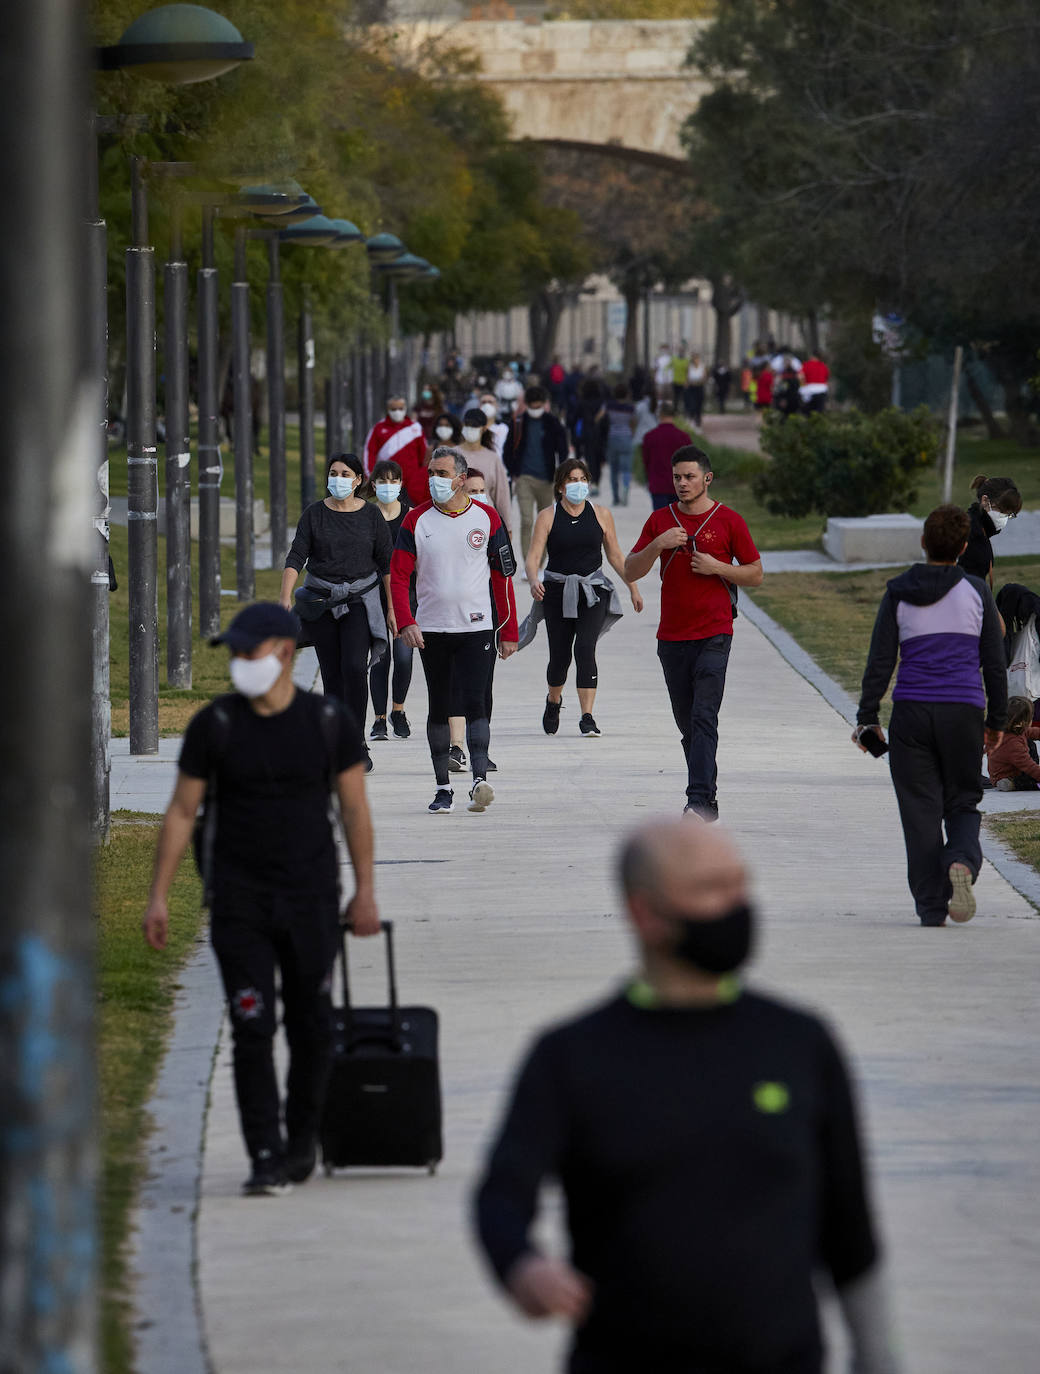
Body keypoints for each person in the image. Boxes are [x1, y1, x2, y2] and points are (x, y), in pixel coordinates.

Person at [474, 820, 902, 1374]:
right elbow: (502, 1195)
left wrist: (881, 1361)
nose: (736, 905)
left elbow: (850, 1228)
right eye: (710, 889)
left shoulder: (799, 1042)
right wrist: (521, 1265)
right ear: (644, 913)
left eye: (739, 885)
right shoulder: (572, 1056)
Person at [142, 603, 380, 1197]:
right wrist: (159, 897)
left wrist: (365, 891)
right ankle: (265, 1155)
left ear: (283, 652)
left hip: (312, 899)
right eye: (235, 653)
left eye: (249, 651)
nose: (239, 663)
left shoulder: (328, 722)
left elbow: (354, 810)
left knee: (312, 1027)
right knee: (252, 1028)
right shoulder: (215, 725)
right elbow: (180, 811)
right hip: (238, 900)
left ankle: (301, 1141)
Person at [855, 504, 1007, 926]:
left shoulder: (898, 591)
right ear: (962, 547)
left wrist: (868, 715)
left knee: (919, 809)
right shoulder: (976, 591)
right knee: (962, 801)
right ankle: (960, 861)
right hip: (962, 711)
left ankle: (931, 907)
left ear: (923, 542)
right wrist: (996, 722)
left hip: (912, 714)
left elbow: (881, 660)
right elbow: (993, 664)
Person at [625, 446, 763, 819]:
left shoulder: (729, 521)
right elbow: (629, 571)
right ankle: (708, 796)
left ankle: (698, 800)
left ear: (707, 478)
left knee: (704, 717)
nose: (682, 484)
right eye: (677, 477)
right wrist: (658, 545)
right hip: (671, 639)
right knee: (689, 725)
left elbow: (755, 572)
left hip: (715, 633)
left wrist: (719, 567)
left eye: (689, 477)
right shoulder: (660, 521)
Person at [391, 446, 518, 814]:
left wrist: (508, 631)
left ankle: (479, 779)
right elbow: (398, 577)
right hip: (431, 629)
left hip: (477, 628)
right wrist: (406, 622)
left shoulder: (488, 518)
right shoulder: (415, 520)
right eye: (431, 472)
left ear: (461, 479)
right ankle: (442, 788)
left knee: (477, 702)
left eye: (442, 473)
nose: (434, 480)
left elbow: (503, 579)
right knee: (439, 706)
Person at [281, 453, 393, 772]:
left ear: (359, 480)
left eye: (345, 474)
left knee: (355, 669)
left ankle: (357, 742)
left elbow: (386, 564)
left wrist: (394, 609)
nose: (338, 479)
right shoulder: (314, 514)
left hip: (359, 602)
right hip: (322, 603)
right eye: (333, 473)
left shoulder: (371, 516)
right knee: (332, 675)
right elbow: (296, 555)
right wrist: (284, 596)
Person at [523, 459, 643, 737]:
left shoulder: (600, 514)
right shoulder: (548, 516)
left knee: (585, 649)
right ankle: (553, 701)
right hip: (557, 592)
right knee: (560, 656)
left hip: (593, 592)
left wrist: (632, 587)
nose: (578, 485)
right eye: (571, 480)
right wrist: (533, 580)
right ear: (561, 486)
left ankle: (587, 716)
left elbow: (615, 554)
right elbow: (533, 557)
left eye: (582, 479)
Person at [367, 460, 415, 743]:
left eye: (393, 480)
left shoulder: (411, 516)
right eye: (382, 481)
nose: (388, 486)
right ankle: (379, 719)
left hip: (405, 593)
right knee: (380, 657)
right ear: (373, 485)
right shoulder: (367, 514)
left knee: (404, 656)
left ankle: (398, 710)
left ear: (401, 484)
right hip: (371, 592)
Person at [504, 385, 569, 565]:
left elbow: (562, 450)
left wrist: (561, 474)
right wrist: (514, 472)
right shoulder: (518, 422)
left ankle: (540, 562)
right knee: (526, 520)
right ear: (527, 405)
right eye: (532, 406)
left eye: (538, 405)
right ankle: (528, 563)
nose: (535, 409)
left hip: (547, 480)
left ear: (544, 404)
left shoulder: (553, 423)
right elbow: (507, 450)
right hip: (524, 478)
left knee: (545, 524)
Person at [458, 406, 514, 542]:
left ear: (483, 428)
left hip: (487, 520)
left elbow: (502, 495)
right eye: (467, 425)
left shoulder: (492, 458)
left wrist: (507, 527)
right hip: (457, 518)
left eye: (475, 426)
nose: (470, 429)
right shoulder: (452, 455)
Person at [364, 395, 428, 506]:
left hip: (412, 485)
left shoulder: (415, 428)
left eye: (400, 408)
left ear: (405, 409)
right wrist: (370, 476)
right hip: (389, 484)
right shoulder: (378, 428)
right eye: (393, 409)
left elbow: (424, 455)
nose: (397, 412)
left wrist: (421, 480)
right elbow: (369, 453)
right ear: (388, 410)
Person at [959, 474, 1021, 586]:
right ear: (985, 500)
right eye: (1002, 511)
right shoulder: (974, 535)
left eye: (1010, 514)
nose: (1005, 518)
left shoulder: (974, 525)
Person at [641, 400, 689, 510]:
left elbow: (646, 461)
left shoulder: (649, 437)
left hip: (658, 484)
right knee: (678, 521)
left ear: (659, 415)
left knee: (661, 522)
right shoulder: (684, 437)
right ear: (674, 415)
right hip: (680, 486)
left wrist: (648, 478)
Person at [986, 695, 1040, 791]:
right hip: (1007, 776)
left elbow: (1032, 731)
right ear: (1021, 723)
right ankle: (1011, 784)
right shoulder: (1012, 743)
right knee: (1033, 781)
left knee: (1029, 742)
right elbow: (1029, 766)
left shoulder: (1013, 729)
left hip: (1009, 769)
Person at [603, 384, 636, 506]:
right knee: (626, 469)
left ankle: (615, 496)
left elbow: (601, 418)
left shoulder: (609, 406)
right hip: (626, 438)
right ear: (626, 394)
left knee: (614, 470)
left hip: (612, 438)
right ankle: (625, 491)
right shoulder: (630, 408)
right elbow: (633, 422)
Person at [479, 392, 509, 458]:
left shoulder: (504, 428)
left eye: (490, 402)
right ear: (479, 406)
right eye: (483, 402)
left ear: (497, 406)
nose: (487, 405)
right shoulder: (473, 428)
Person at [684, 352, 707, 427]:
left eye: (697, 358)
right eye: (694, 358)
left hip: (699, 387)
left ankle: (698, 419)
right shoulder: (689, 367)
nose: (695, 360)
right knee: (692, 404)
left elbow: (704, 377)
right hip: (692, 388)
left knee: (699, 404)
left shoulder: (702, 366)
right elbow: (687, 377)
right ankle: (691, 417)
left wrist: (699, 381)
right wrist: (689, 383)